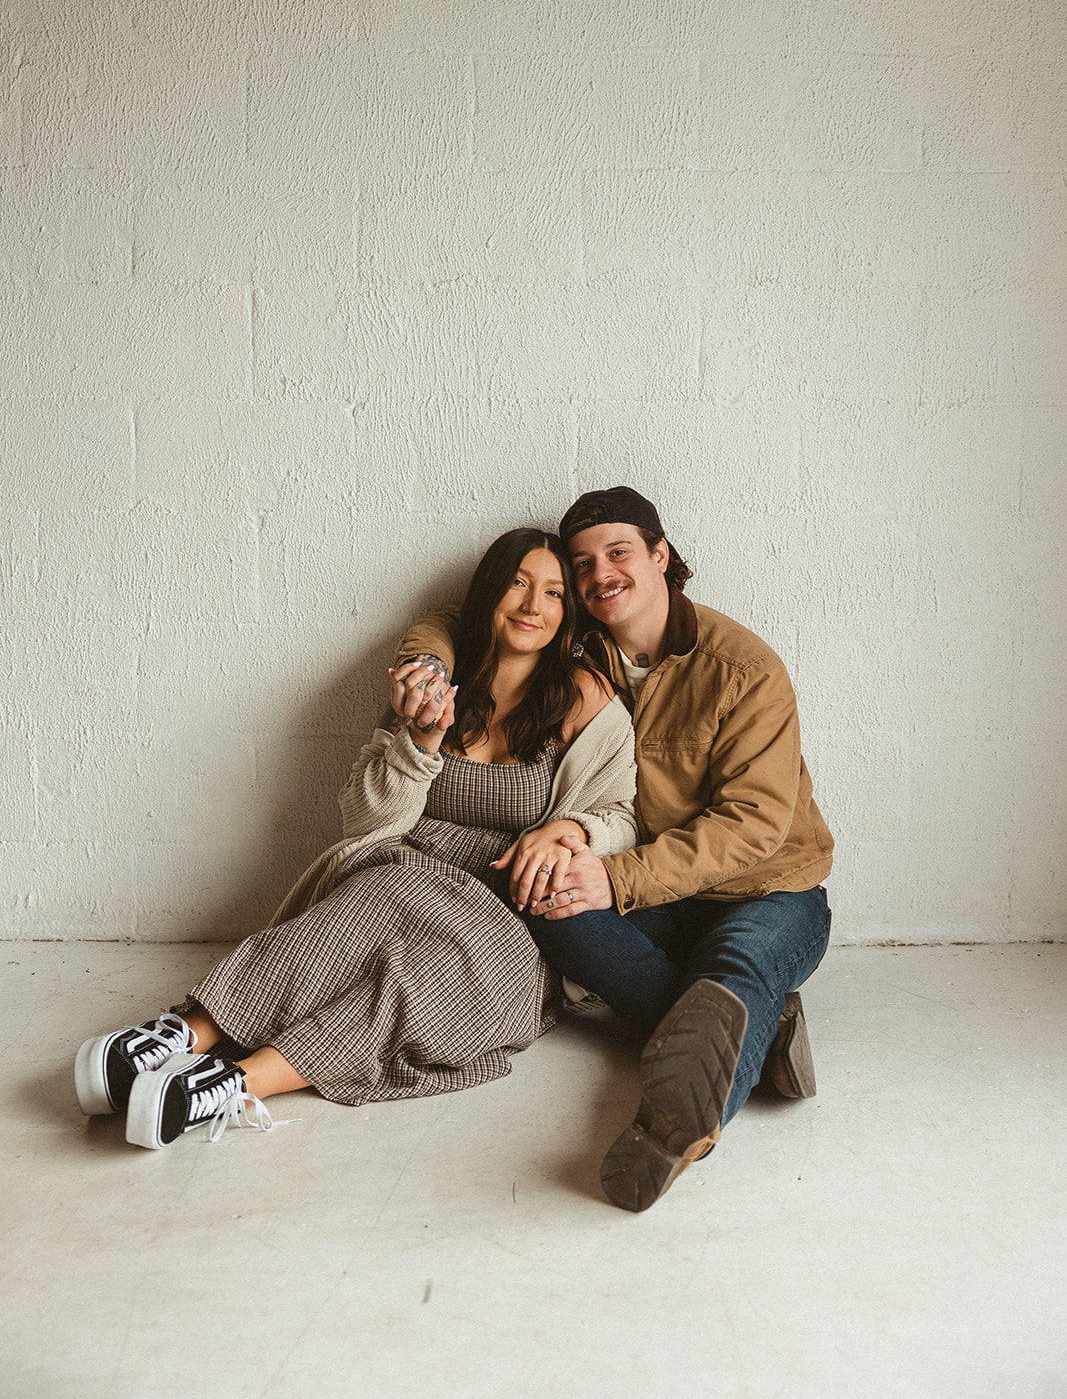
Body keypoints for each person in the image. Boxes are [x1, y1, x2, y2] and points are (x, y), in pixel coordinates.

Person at [74, 529, 637, 1151]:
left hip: (512, 913)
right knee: (362, 915)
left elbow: (620, 813)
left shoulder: (585, 697)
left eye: (555, 593)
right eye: (518, 584)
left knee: (440, 990)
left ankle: (230, 1082)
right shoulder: (435, 683)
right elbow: (366, 821)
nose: (534, 606)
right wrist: (420, 740)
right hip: (410, 868)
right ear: (488, 594)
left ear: (569, 614)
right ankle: (180, 1036)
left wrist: (573, 829)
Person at [397, 487, 833, 1212]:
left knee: (735, 964)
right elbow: (456, 619)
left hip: (769, 890)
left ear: (662, 557)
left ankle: (670, 1133)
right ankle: (761, 1027)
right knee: (535, 891)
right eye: (582, 563)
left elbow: (752, 824)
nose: (600, 573)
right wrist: (427, 666)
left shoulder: (743, 668)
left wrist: (612, 877)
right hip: (656, 892)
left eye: (619, 552)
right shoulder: (577, 643)